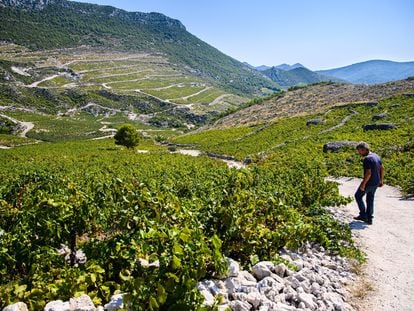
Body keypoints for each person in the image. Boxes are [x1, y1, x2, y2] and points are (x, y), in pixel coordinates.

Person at [353, 142, 384, 225]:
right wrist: (381, 180)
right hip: (376, 182)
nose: (359, 153)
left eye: (359, 151)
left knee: (358, 196)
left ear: (364, 150)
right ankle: (369, 218)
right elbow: (382, 168)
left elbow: (368, 173)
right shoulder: (376, 156)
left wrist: (363, 184)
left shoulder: (367, 159)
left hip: (369, 182)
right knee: (370, 198)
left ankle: (363, 215)